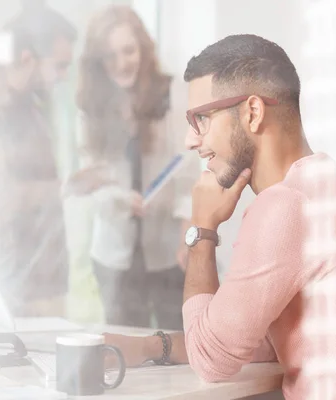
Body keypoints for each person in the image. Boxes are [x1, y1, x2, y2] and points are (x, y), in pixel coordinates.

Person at [106, 34, 336, 399]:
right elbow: (252, 336)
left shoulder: (285, 206)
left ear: (252, 112)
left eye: (201, 119)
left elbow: (212, 360)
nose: (191, 141)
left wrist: (201, 230)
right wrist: (150, 347)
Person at [70, 5, 198, 330]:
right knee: (125, 348)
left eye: (128, 51)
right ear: (98, 61)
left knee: (176, 344)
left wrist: (187, 232)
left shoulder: (170, 94)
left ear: (143, 47)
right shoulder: (90, 106)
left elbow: (187, 171)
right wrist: (118, 198)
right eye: (110, 56)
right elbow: (91, 183)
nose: (121, 63)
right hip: (114, 254)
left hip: (168, 249)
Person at [0, 4, 77, 318]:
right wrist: (62, 187)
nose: (63, 76)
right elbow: (2, 201)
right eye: (59, 66)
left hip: (42, 281)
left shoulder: (32, 107)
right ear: (27, 57)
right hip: (9, 284)